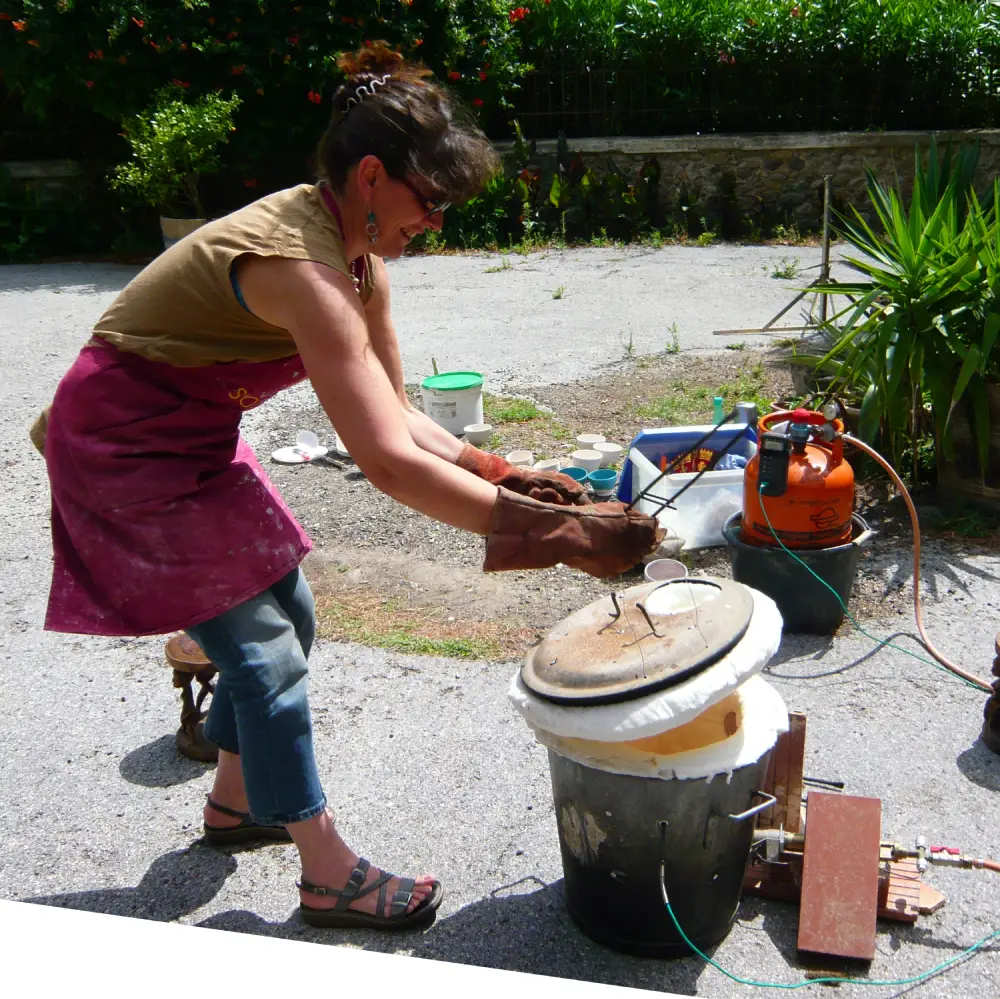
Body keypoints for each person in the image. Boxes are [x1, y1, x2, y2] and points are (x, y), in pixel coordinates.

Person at [32, 42, 662, 931]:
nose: (437, 221)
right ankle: (327, 873)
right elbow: (387, 463)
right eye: (430, 199)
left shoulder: (361, 266)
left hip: (192, 438)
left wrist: (500, 472)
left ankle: (238, 799)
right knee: (265, 653)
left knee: (293, 608)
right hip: (120, 449)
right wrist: (554, 535)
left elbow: (399, 415)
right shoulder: (304, 270)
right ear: (373, 175)